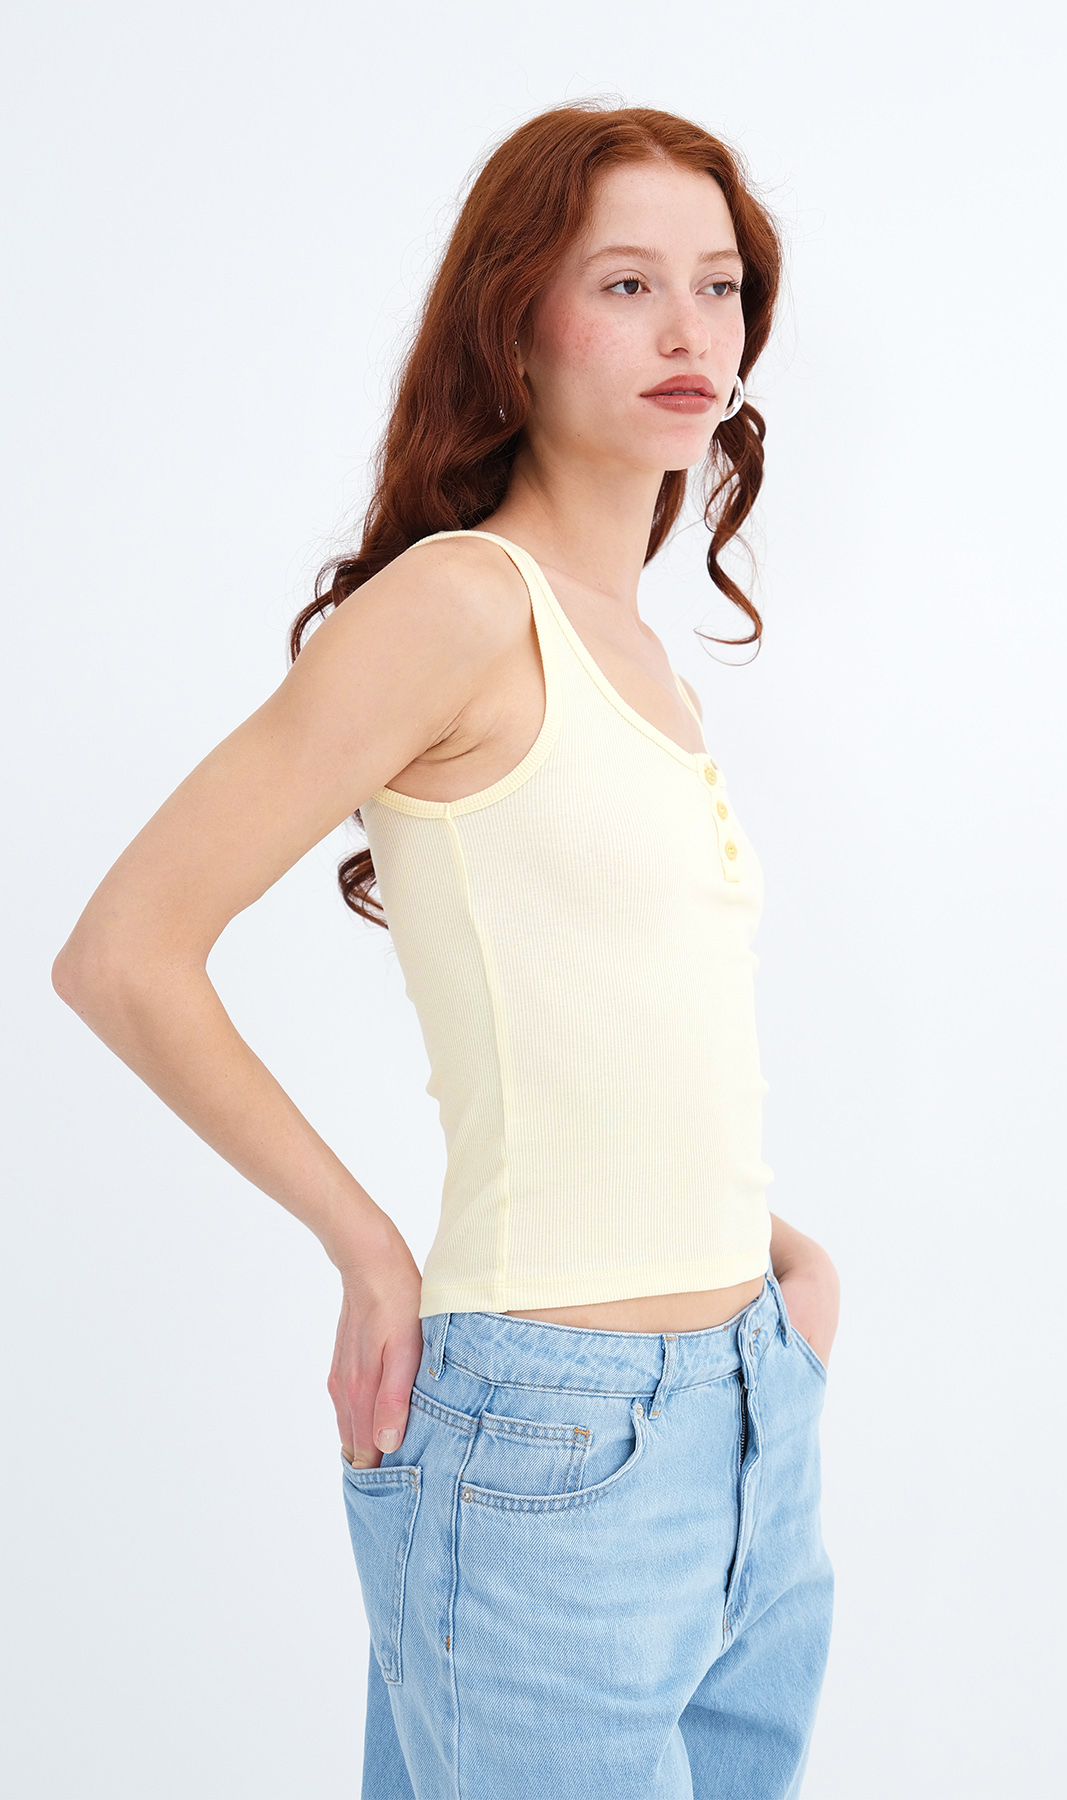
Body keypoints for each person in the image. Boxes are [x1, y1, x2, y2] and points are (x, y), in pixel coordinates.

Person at [52, 101, 839, 1800]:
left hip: (750, 1418)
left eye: (717, 285)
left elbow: (624, 1025)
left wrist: (784, 1285)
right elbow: (126, 950)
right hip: (552, 1438)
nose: (689, 331)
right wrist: (367, 1250)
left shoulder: (638, 649)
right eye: (626, 283)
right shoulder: (461, 604)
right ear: (514, 323)